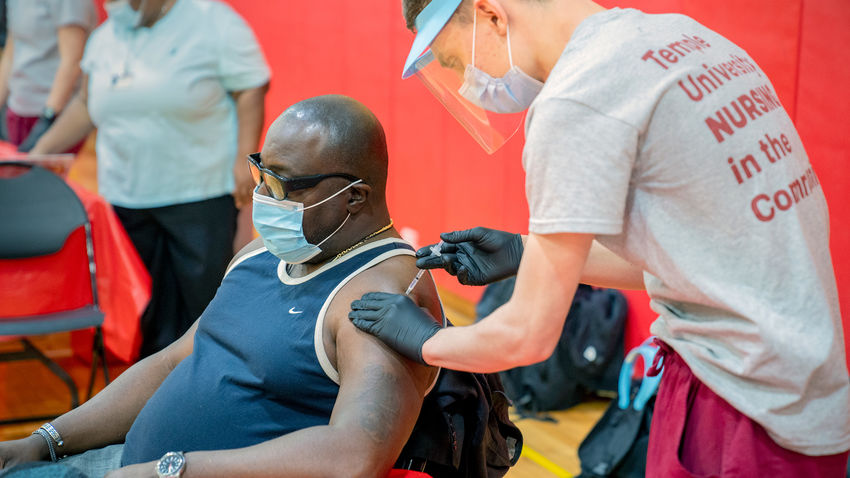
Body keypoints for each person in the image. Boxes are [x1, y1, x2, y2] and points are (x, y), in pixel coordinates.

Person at [349, 0, 850, 476]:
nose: (464, 86)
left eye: (457, 63)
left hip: (739, 407)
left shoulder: (576, 98)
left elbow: (528, 335)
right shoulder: (682, 39)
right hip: (811, 397)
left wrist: (428, 340)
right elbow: (699, 255)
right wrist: (527, 253)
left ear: (490, 15)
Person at [0, 95, 443, 478]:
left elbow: (355, 456)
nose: (265, 199)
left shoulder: (381, 296)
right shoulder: (267, 252)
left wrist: (171, 469)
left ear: (354, 197)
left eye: (282, 184)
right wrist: (44, 441)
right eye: (261, 174)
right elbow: (176, 359)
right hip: (133, 464)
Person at [30, 0, 270, 358]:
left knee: (203, 306)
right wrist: (39, 153)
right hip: (125, 195)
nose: (117, 5)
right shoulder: (106, 36)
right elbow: (86, 104)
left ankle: (210, 389)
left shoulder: (211, 20)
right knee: (144, 310)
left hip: (198, 192)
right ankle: (152, 395)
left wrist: (244, 158)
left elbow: (252, 85)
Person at [0, 0, 97, 151]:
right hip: (17, 110)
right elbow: (12, 51)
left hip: (51, 113)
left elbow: (73, 60)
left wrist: (47, 119)